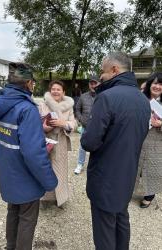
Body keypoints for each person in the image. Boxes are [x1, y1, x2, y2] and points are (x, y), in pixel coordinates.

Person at [81, 52, 151, 250]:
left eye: (102, 72)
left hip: (105, 178)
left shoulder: (106, 98)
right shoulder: (143, 100)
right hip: (127, 175)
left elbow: (89, 142)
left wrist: (85, 131)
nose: (100, 77)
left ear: (114, 69)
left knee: (104, 230)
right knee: (121, 220)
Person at [0, 63, 58, 250]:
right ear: (27, 83)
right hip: (25, 178)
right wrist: (50, 181)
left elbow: (8, 139)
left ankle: (11, 246)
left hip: (7, 173)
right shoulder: (27, 109)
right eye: (32, 83)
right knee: (27, 219)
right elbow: (33, 154)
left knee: (13, 211)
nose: (33, 86)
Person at [38, 80, 77, 207]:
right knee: (45, 170)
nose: (55, 91)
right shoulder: (42, 105)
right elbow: (36, 123)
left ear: (63, 92)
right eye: (53, 89)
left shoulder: (68, 106)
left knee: (60, 171)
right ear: (50, 91)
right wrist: (45, 127)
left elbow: (74, 123)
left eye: (58, 89)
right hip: (46, 141)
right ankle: (45, 199)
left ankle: (60, 199)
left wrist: (63, 124)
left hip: (60, 141)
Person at [136, 72, 162, 208]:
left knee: (153, 169)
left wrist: (161, 124)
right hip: (138, 139)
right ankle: (130, 189)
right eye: (155, 83)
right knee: (135, 167)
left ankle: (149, 195)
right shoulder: (140, 99)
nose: (157, 86)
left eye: (160, 84)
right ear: (150, 84)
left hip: (158, 142)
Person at [74, 77, 99, 174]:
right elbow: (77, 109)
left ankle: (95, 166)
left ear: (99, 84)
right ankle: (80, 164)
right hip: (85, 126)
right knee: (82, 146)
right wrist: (81, 119)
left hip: (98, 127)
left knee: (98, 147)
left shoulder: (103, 96)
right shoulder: (83, 96)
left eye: (95, 83)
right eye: (91, 83)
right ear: (89, 85)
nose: (93, 86)